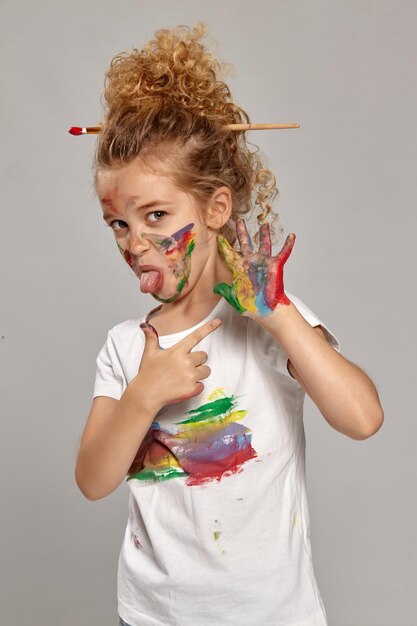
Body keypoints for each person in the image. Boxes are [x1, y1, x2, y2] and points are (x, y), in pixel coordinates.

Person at [74, 23, 384, 626]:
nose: (136, 243)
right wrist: (143, 395)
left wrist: (280, 316)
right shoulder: (124, 346)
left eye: (156, 215)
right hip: (150, 617)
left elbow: (363, 418)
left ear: (216, 209)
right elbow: (91, 480)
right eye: (119, 224)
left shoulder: (267, 321)